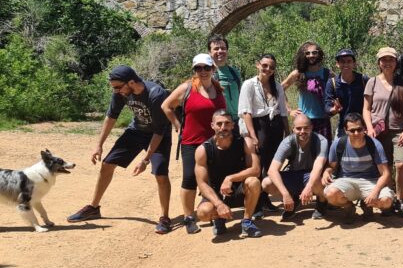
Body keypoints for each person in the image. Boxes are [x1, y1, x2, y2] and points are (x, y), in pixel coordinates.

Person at [67, 66, 174, 234]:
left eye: (118, 87)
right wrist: (99, 144)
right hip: (136, 131)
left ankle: (165, 217)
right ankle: (94, 207)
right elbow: (111, 117)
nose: (115, 91)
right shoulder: (120, 93)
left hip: (158, 134)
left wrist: (145, 160)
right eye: (113, 87)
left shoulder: (156, 94)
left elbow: (159, 131)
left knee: (160, 173)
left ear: (131, 82)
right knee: (107, 164)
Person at [161, 53, 226, 235]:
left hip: (213, 142)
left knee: (213, 178)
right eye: (198, 68)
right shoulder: (187, 88)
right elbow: (166, 106)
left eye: (206, 68)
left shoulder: (217, 88)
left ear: (213, 69)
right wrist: (177, 125)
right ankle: (189, 217)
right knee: (190, 179)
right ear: (194, 70)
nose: (203, 71)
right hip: (191, 141)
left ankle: (215, 215)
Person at [194, 110, 263, 238]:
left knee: (254, 181)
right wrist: (218, 204)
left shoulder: (244, 142)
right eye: (219, 124)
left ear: (233, 125)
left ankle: (247, 222)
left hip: (239, 190)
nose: (223, 127)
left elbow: (256, 169)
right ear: (212, 126)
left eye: (227, 123)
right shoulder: (203, 150)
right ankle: (218, 219)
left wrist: (230, 178)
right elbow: (202, 183)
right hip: (216, 194)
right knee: (203, 213)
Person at [363, 46, 403, 215]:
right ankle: (389, 198)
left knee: (400, 165)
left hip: (399, 130)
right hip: (378, 132)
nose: (387, 63)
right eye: (383, 60)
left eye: (390, 59)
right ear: (379, 63)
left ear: (395, 62)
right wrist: (369, 127)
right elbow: (366, 109)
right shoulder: (372, 82)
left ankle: (400, 199)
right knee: (383, 168)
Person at [320, 114, 395, 217]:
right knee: (330, 194)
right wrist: (326, 172)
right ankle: (348, 206)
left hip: (371, 181)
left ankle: (367, 204)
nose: (356, 133)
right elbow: (331, 167)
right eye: (352, 130)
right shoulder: (338, 144)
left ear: (364, 129)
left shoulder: (374, 145)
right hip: (346, 180)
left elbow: (385, 174)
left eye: (359, 129)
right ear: (346, 131)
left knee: (386, 201)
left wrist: (375, 193)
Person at [261, 114, 330, 220]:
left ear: (311, 127)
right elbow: (272, 170)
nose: (302, 131)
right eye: (298, 128)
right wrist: (285, 194)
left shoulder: (321, 141)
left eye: (306, 128)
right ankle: (293, 198)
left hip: (312, 176)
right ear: (293, 129)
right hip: (294, 175)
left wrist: (308, 188)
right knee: (267, 183)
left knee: (316, 178)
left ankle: (322, 202)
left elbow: (318, 166)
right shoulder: (287, 142)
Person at [238, 53, 289, 176]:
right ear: (258, 65)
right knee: (259, 157)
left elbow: (283, 111)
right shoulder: (249, 84)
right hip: (259, 124)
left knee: (274, 158)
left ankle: (267, 187)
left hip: (276, 124)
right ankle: (259, 191)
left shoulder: (277, 86)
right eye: (264, 65)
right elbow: (246, 112)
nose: (268, 69)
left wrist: (287, 132)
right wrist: (253, 135)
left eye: (271, 67)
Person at [283, 41, 333, 142]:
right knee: (303, 153)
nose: (311, 55)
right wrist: (289, 110)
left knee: (324, 153)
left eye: (314, 52)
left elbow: (340, 88)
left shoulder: (327, 73)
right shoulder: (298, 73)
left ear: (319, 54)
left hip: (323, 119)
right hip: (303, 121)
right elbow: (280, 89)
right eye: (307, 53)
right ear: (303, 55)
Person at [323, 49, 368, 140]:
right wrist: (334, 109)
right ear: (337, 64)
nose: (346, 64)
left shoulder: (363, 80)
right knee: (338, 151)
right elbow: (327, 107)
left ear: (354, 63)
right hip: (344, 127)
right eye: (342, 62)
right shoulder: (333, 83)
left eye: (349, 61)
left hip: (362, 127)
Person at [208, 35, 243, 128]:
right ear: (209, 52)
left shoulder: (235, 72)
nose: (220, 51)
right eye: (216, 48)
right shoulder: (207, 73)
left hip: (236, 121)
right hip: (218, 123)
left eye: (223, 48)